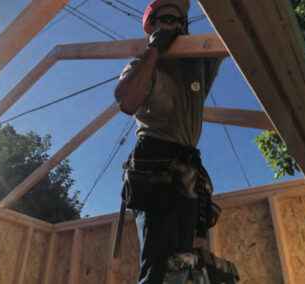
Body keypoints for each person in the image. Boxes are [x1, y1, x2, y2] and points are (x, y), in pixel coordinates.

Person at [114, 1, 224, 283]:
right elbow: (127, 101)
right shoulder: (143, 65)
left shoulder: (195, 64)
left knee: (183, 266)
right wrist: (154, 49)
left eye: (181, 21)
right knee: (159, 267)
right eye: (167, 19)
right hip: (155, 165)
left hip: (186, 169)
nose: (176, 26)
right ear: (151, 26)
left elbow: (229, 39)